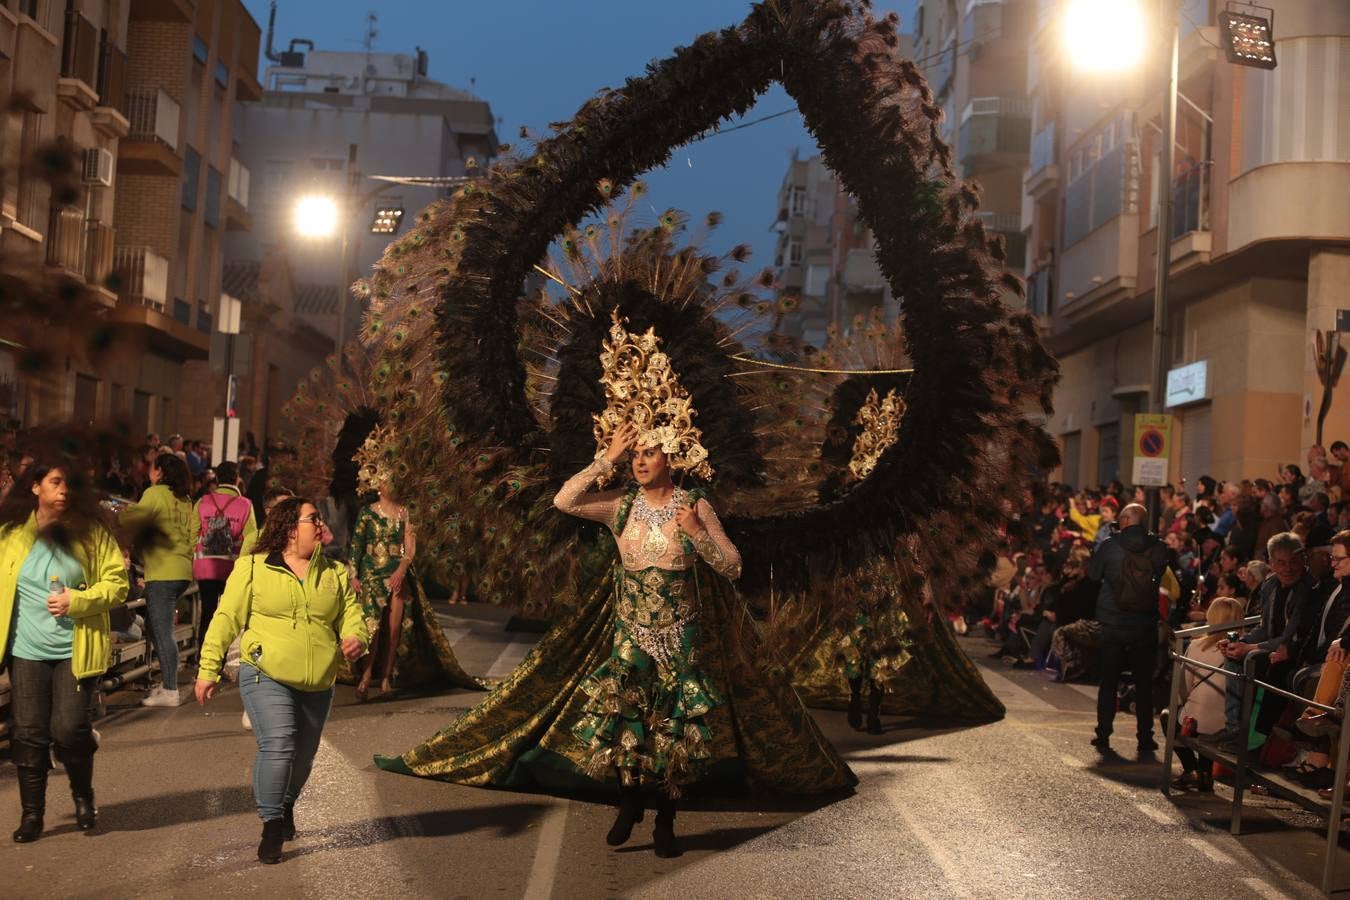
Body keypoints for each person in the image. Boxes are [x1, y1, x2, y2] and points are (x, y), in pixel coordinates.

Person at [194, 498, 367, 865]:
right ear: (290, 528)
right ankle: (271, 825)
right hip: (264, 671)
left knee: (303, 758)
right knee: (279, 744)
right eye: (312, 519)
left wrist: (356, 637)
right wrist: (208, 668)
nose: (320, 525)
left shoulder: (334, 572)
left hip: (319, 679)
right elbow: (226, 618)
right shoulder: (253, 567)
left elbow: (352, 614)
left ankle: (286, 803)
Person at [0, 460, 129, 841]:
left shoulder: (91, 532)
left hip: (76, 647)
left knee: (69, 730)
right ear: (36, 487)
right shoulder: (11, 535)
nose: (64, 490)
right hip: (26, 648)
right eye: (55, 482)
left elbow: (117, 584)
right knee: (27, 731)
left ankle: (82, 794)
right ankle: (32, 814)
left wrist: (80, 600)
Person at [348, 441, 481, 700]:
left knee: (394, 629)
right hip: (370, 574)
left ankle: (386, 675)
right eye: (388, 480)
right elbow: (356, 544)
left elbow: (409, 549)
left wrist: (401, 569)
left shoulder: (406, 513)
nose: (393, 486)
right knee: (371, 629)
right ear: (378, 484)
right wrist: (354, 574)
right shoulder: (367, 513)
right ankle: (365, 676)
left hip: (396, 574)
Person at [1215, 532, 1314, 751]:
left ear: (1303, 560)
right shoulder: (1270, 586)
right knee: (1233, 653)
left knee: (1251, 657)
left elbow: (1291, 636)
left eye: (1293, 562)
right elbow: (1264, 627)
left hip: (1294, 652)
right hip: (1270, 647)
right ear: (1270, 562)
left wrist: (1250, 647)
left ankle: (1254, 739)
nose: (1288, 568)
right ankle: (1233, 729)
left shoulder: (1308, 589)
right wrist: (1240, 641)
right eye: (1281, 562)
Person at [1089, 502, 1168, 755]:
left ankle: (1103, 734)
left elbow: (1092, 575)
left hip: (1113, 623)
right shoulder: (1159, 548)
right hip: (1144, 624)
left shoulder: (1110, 546)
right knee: (1144, 682)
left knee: (1109, 680)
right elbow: (1160, 574)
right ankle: (1145, 738)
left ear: (1124, 520)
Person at [128, 453, 199, 708]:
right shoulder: (184, 499)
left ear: (159, 471)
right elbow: (193, 535)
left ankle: (170, 689)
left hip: (162, 570)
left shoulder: (154, 493)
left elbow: (133, 521)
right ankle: (167, 683)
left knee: (163, 630)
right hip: (181, 569)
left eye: (152, 468)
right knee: (157, 626)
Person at [1170, 596, 1246, 791]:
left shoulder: (1197, 645)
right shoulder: (1243, 650)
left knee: (1173, 717)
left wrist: (1182, 703)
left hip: (1199, 719)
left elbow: (1183, 687)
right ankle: (1204, 774)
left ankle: (1192, 770)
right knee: (1206, 718)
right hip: (1230, 720)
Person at [192, 461, 257, 643]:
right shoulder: (245, 505)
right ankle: (219, 660)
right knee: (227, 615)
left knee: (207, 612)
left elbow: (191, 534)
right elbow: (251, 539)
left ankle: (201, 657)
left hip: (205, 568)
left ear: (217, 479)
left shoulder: (203, 501)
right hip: (232, 569)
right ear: (237, 479)